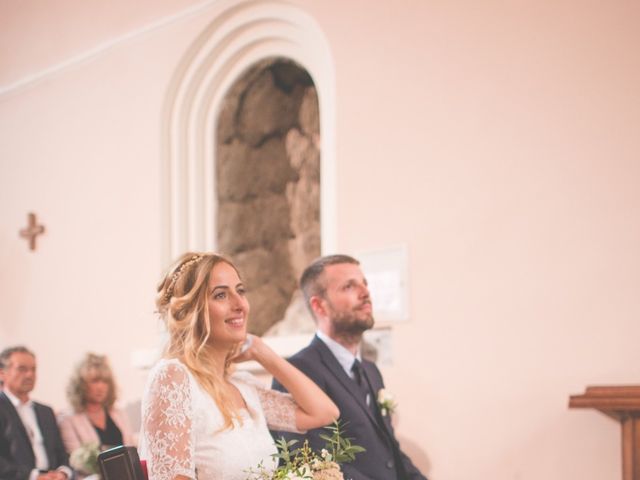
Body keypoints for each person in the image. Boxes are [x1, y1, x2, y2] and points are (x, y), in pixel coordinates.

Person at [138, 252, 339, 480]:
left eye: (240, 291)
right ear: (190, 309)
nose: (239, 304)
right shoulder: (174, 377)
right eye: (221, 295)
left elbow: (324, 413)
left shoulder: (243, 385)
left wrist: (263, 353)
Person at [272, 254, 428, 480]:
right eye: (349, 286)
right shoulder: (298, 372)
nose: (365, 293)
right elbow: (309, 460)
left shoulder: (371, 371)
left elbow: (390, 452)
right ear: (319, 305)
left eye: (365, 284)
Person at [0, 346, 73, 480]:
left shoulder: (45, 412)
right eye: (22, 369)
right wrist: (34, 476)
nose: (30, 375)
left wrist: (63, 473)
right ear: (2, 373)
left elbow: (62, 453)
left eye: (33, 369)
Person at [58, 353, 134, 454]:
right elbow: (77, 460)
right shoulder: (68, 419)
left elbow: (132, 449)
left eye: (105, 381)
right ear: (80, 384)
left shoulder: (119, 414)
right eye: (95, 381)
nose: (101, 387)